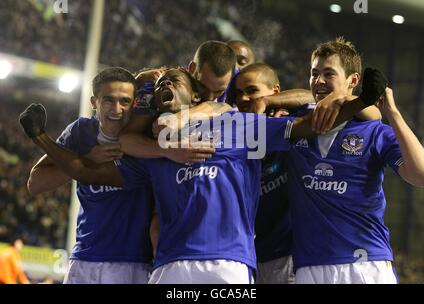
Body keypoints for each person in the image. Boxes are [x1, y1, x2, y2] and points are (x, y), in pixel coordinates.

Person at [19, 66, 385, 283]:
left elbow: (307, 126)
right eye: (159, 85)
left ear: (195, 93)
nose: (164, 85)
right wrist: (40, 136)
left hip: (227, 265)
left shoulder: (238, 126)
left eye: (172, 80)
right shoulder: (152, 144)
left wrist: (361, 101)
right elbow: (87, 171)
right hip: (169, 268)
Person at [283, 37, 424, 284]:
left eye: (329, 73)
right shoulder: (296, 127)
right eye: (314, 74)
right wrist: (348, 100)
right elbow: (291, 98)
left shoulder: (375, 132)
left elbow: (420, 175)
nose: (319, 81)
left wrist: (393, 114)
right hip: (309, 268)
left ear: (353, 80)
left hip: (366, 266)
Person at [234, 62, 382, 284]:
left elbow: (370, 114)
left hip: (296, 255)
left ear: (276, 91)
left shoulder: (295, 116)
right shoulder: (236, 128)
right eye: (239, 93)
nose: (245, 98)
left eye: (253, 91)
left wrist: (350, 98)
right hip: (255, 255)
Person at [27, 67, 155, 284]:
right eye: (108, 100)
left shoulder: (145, 136)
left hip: (133, 263)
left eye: (125, 101)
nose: (117, 109)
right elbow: (36, 183)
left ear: (135, 104)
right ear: (94, 102)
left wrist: (81, 163)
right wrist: (86, 158)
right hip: (84, 259)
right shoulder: (80, 131)